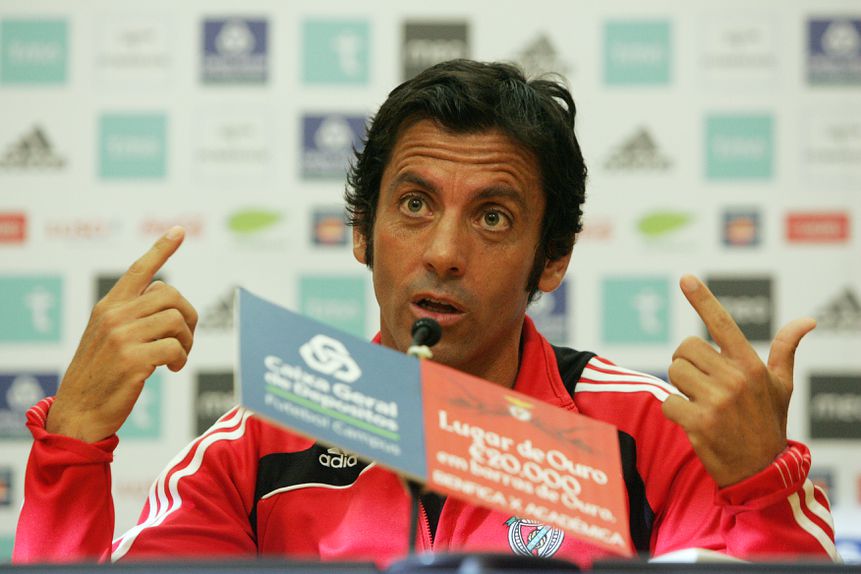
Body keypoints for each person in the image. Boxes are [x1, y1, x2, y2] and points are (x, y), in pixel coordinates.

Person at [14, 60, 837, 567]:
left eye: (491, 216)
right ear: (363, 236)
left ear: (551, 259)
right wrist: (74, 445)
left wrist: (762, 491)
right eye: (412, 204)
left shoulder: (653, 436)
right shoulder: (255, 450)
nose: (443, 251)